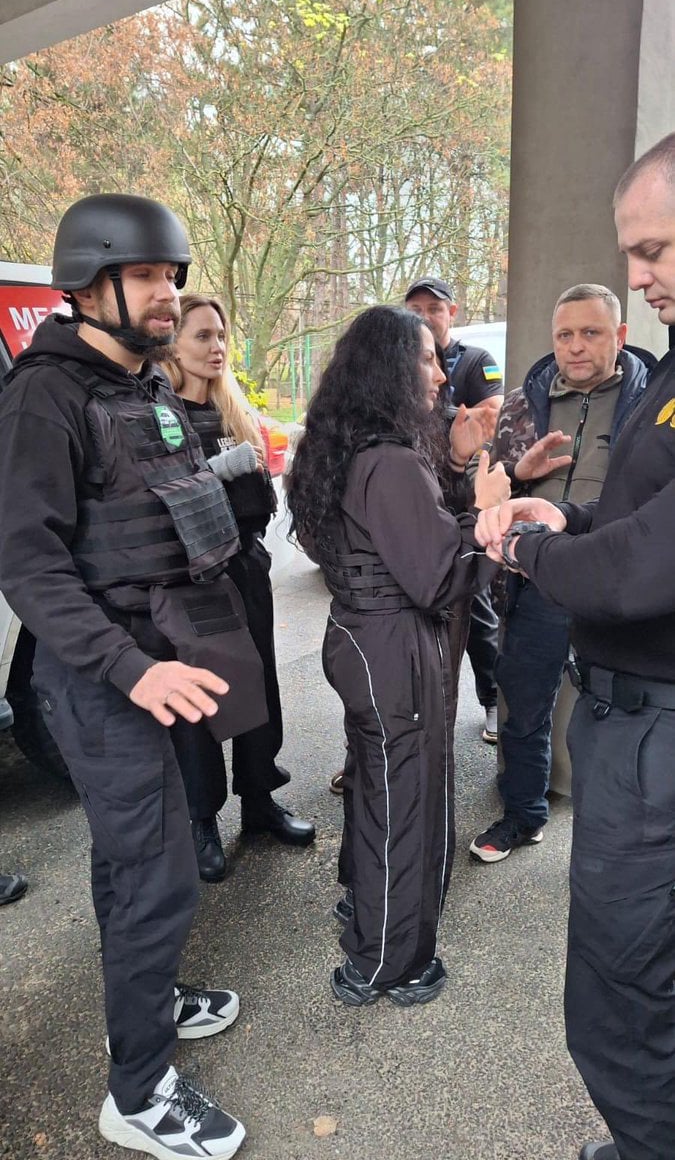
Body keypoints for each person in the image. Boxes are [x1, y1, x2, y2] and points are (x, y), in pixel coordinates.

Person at [0, 193, 250, 1160]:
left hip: (163, 661)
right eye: (147, 277)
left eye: (171, 277)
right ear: (90, 283)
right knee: (156, 871)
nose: (166, 295)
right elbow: (28, 565)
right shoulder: (44, 397)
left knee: (136, 859)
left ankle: (144, 1002)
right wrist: (129, 669)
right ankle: (138, 1095)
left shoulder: (140, 385)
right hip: (107, 680)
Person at [475, 132, 675, 1160]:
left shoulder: (645, 376)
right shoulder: (543, 396)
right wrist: (539, 506)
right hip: (599, 650)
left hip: (649, 704)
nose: (645, 281)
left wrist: (538, 546)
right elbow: (622, 515)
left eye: (657, 253)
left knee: (625, 974)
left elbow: (654, 556)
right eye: (633, 256)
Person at [288, 305, 509, 1006]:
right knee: (406, 805)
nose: (439, 371)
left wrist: (454, 467)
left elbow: (392, 539)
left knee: (375, 790)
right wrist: (492, 516)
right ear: (387, 368)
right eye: (423, 359)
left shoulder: (350, 449)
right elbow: (436, 574)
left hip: (362, 640)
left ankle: (363, 910)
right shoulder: (385, 458)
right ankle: (388, 962)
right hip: (394, 654)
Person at [470, 283, 651, 863]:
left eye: (591, 333)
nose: (575, 347)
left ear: (619, 336)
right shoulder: (524, 401)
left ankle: (628, 834)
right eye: (565, 334)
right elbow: (492, 490)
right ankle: (523, 814)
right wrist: (519, 472)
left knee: (627, 710)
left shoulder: (651, 404)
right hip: (541, 578)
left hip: (619, 578)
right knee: (522, 701)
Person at [161, 293, 314, 880]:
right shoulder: (160, 417)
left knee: (259, 688)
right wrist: (217, 471)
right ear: (172, 344)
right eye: (202, 336)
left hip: (246, 568)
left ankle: (259, 800)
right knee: (199, 703)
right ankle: (203, 820)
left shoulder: (232, 412)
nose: (217, 346)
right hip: (193, 580)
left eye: (221, 335)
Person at [405, 277, 503, 743]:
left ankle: (490, 701)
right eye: (415, 307)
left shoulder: (474, 361)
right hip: (415, 505)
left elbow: (490, 413)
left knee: (476, 613)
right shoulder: (395, 366)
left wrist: (461, 446)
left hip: (458, 493)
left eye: (434, 308)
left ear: (452, 312)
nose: (425, 315)